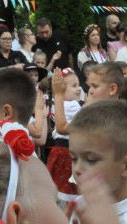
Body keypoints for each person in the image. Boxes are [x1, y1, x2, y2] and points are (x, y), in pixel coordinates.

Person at [46, 69, 83, 203]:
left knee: (57, 193)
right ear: (61, 88)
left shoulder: (57, 103)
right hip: (68, 152)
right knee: (71, 196)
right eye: (74, 86)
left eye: (78, 85)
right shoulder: (73, 105)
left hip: (57, 151)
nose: (79, 89)